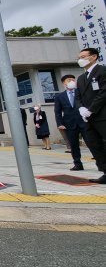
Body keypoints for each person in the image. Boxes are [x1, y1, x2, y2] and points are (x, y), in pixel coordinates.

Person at [75, 48, 106, 184]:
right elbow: (78, 97)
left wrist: (91, 109)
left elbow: (104, 92)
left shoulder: (102, 71)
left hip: (102, 115)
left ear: (93, 57)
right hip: (88, 118)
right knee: (95, 145)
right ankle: (105, 171)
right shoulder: (81, 78)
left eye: (83, 56)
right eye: (79, 57)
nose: (80, 59)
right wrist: (81, 108)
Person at [54, 75, 89, 170]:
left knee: (91, 142)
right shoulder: (59, 96)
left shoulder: (80, 92)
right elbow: (57, 112)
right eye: (69, 80)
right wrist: (60, 123)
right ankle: (78, 164)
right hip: (69, 124)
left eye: (73, 79)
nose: (72, 81)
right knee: (74, 145)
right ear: (64, 83)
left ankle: (101, 163)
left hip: (84, 122)